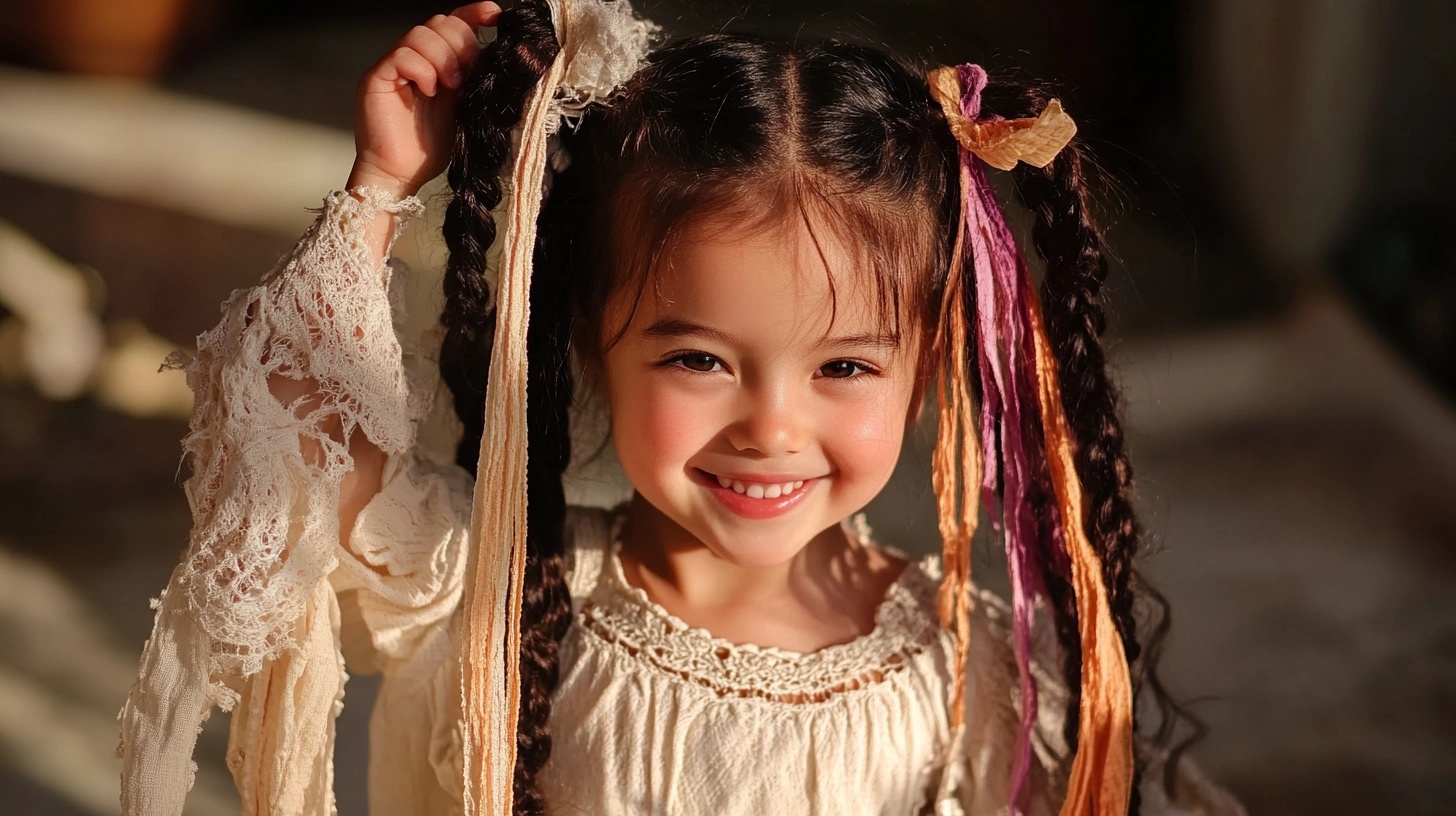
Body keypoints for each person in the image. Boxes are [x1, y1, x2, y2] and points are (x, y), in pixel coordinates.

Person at [117, 2, 1246, 814]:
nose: (769, 425)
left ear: (932, 367)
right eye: (700, 359)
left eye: (844, 368)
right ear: (588, 343)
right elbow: (284, 436)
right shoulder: (486, 587)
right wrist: (378, 187)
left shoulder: (964, 670)